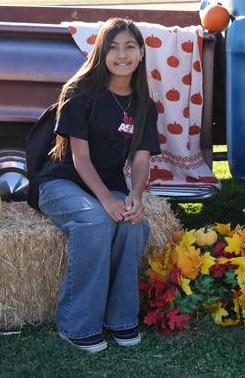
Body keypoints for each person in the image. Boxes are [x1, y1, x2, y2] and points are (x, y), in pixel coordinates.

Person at [36, 18, 160, 352]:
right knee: (96, 221)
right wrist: (107, 200)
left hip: (109, 184)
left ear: (142, 52)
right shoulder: (81, 93)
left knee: (133, 226)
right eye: (113, 47)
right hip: (63, 183)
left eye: (129, 47)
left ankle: (120, 319)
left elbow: (140, 159)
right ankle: (77, 324)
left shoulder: (145, 103)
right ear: (101, 53)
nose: (122, 55)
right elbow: (80, 158)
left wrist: (134, 197)